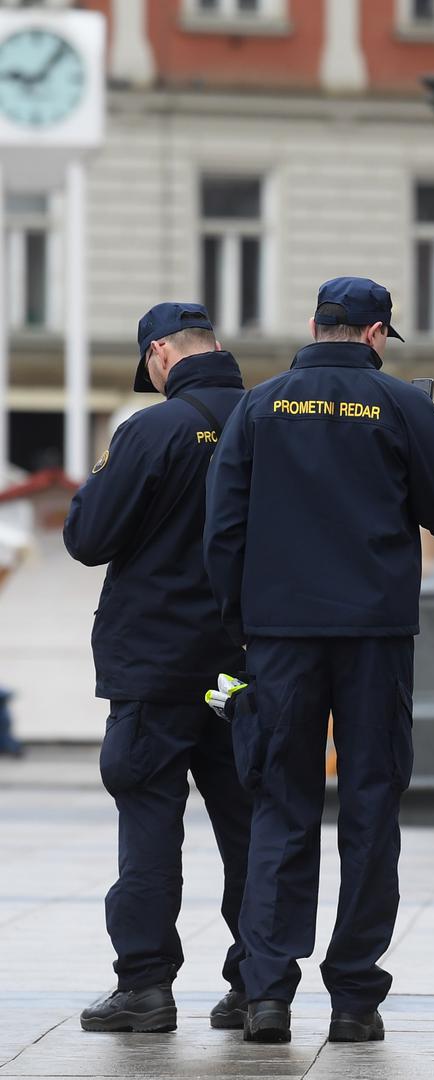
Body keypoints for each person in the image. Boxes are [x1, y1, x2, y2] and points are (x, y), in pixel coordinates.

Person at [203, 277, 434, 1044]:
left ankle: (267, 993)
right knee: (370, 810)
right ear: (377, 334)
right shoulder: (402, 406)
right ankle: (355, 997)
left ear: (315, 324)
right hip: (374, 637)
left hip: (280, 638)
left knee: (279, 805)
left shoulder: (260, 406)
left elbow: (222, 528)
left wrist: (243, 625)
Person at [62, 303, 251, 1034]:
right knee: (252, 826)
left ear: (159, 356)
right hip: (242, 668)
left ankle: (145, 987)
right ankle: (257, 986)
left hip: (157, 667)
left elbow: (88, 536)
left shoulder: (152, 430)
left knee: (149, 821)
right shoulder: (269, 420)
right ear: (217, 347)